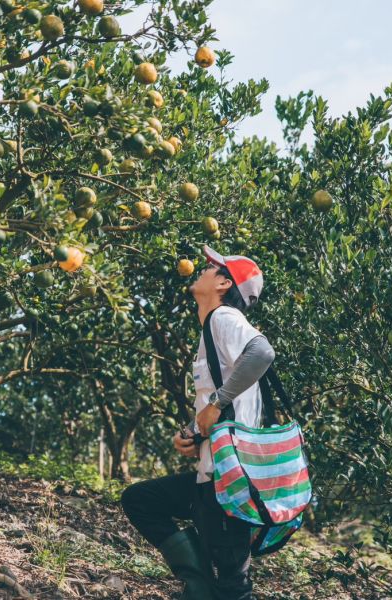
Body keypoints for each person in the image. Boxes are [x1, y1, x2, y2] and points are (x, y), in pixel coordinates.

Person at [121, 245, 275, 600]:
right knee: (141, 500)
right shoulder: (213, 332)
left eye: (211, 268)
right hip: (211, 478)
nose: (202, 271)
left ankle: (203, 590)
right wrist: (193, 434)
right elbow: (226, 404)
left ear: (223, 283)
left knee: (234, 588)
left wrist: (217, 403)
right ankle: (198, 586)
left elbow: (263, 353)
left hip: (229, 484)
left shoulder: (224, 318)